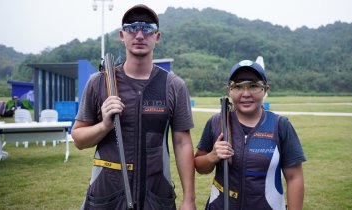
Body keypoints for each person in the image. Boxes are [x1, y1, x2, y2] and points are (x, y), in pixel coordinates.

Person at [71, 4, 196, 210]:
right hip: (106, 197)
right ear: (122, 35)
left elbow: (182, 143)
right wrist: (104, 125)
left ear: (157, 37)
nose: (139, 35)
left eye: (147, 28)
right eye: (132, 27)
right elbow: (78, 140)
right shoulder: (98, 82)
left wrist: (189, 200)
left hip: (156, 196)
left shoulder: (174, 85)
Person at [194, 60, 306, 210]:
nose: (245, 94)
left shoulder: (280, 125)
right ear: (229, 90)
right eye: (238, 86)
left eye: (253, 86)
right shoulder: (216, 122)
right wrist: (212, 156)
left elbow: (294, 178)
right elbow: (200, 166)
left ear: (265, 89)